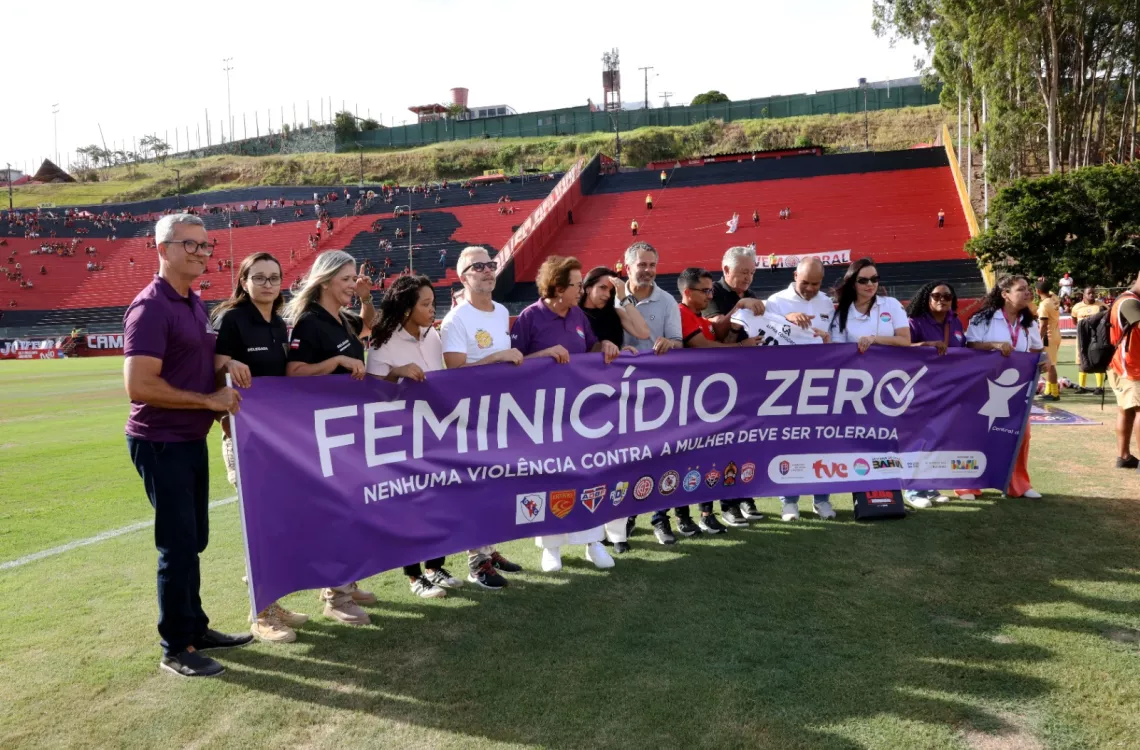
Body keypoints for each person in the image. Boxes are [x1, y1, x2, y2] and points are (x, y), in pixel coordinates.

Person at [122, 213, 249, 678]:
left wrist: (224, 371)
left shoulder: (193, 302)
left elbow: (196, 365)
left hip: (190, 438)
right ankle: (176, 647)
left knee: (193, 540)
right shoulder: (151, 307)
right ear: (162, 249)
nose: (200, 252)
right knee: (176, 547)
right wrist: (209, 401)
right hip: (161, 441)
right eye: (189, 244)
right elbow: (139, 385)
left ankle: (195, 627)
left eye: (204, 245)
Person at [210, 252, 307, 643]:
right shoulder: (231, 319)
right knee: (259, 526)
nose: (268, 284)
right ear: (244, 281)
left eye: (274, 277)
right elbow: (213, 370)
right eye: (259, 277)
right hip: (243, 439)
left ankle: (273, 602)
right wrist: (228, 365)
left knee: (279, 524)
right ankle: (260, 614)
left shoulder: (279, 324)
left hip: (277, 441)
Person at [284, 250, 378, 626]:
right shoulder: (309, 322)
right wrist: (336, 363)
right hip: (323, 433)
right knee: (335, 513)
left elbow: (369, 326)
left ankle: (346, 581)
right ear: (325, 281)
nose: (352, 285)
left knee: (353, 508)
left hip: (348, 428)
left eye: (354, 279)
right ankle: (335, 596)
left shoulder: (342, 318)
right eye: (347, 279)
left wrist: (367, 297)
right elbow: (294, 372)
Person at [511, 255, 621, 572]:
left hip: (581, 413)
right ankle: (551, 547)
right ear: (558, 287)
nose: (581, 290)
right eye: (576, 285)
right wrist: (544, 355)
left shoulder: (578, 315)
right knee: (550, 479)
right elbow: (513, 366)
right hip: (544, 416)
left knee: (589, 474)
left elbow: (590, 349)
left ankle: (593, 542)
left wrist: (605, 346)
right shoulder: (530, 317)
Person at [366, 275, 466, 598]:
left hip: (436, 432)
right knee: (411, 506)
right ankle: (413, 576)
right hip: (401, 438)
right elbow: (371, 394)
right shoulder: (383, 342)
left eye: (432, 303)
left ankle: (435, 567)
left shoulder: (433, 335)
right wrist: (396, 373)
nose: (432, 309)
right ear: (407, 308)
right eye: (425, 304)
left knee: (440, 502)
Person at [439, 246, 525, 589]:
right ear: (463, 278)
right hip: (472, 419)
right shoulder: (456, 320)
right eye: (478, 267)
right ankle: (476, 563)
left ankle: (489, 549)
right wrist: (497, 358)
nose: (488, 270)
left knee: (498, 486)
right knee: (476, 489)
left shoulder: (501, 310)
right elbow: (454, 371)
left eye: (490, 264)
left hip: (502, 414)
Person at [676, 267, 761, 534]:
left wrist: (736, 314)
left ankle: (706, 513)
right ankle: (682, 516)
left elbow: (719, 334)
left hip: (709, 402)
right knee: (684, 461)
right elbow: (702, 347)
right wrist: (741, 347)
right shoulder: (681, 313)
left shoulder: (700, 318)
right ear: (687, 292)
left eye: (711, 290)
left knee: (708, 460)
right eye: (705, 291)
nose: (710, 295)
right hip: (689, 403)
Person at [619, 242, 688, 543]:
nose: (647, 270)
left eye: (652, 265)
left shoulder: (667, 300)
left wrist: (670, 343)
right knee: (627, 459)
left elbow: (679, 342)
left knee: (661, 456)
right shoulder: (613, 298)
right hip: (620, 393)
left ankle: (660, 519)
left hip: (659, 392)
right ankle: (626, 518)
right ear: (627, 267)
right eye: (642, 265)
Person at [763, 257, 838, 520]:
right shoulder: (775, 301)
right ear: (795, 276)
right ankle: (789, 501)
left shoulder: (826, 303)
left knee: (821, 442)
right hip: (785, 385)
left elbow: (831, 341)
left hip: (820, 382)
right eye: (805, 282)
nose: (809, 288)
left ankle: (822, 500)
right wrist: (786, 318)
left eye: (815, 284)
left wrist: (827, 340)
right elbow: (763, 331)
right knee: (789, 443)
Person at [966, 275, 1045, 498]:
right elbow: (970, 345)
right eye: (1021, 289)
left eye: (1028, 288)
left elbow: (1037, 350)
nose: (1027, 292)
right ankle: (968, 485)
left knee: (1021, 435)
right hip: (983, 387)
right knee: (978, 435)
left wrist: (1044, 360)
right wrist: (993, 345)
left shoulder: (1029, 323)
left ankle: (1019, 484)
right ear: (1005, 294)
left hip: (1017, 390)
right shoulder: (983, 319)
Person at [904, 281, 971, 506]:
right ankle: (913, 491)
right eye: (936, 296)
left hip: (949, 391)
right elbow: (899, 350)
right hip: (921, 390)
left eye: (947, 296)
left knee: (938, 440)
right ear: (927, 297)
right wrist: (925, 344)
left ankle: (930, 486)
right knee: (919, 440)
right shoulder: (915, 322)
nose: (942, 300)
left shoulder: (955, 321)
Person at [1108, 271, 1140, 469]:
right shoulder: (1129, 302)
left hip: (1124, 365)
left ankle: (1124, 456)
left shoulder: (1129, 299)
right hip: (1132, 366)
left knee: (1126, 409)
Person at [579, 266, 651, 351]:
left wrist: (624, 299)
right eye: (603, 287)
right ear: (588, 288)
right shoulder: (574, 313)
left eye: (611, 291)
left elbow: (644, 333)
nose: (608, 295)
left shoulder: (615, 313)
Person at [1071, 287, 1107, 394]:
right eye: (1089, 293)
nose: (1092, 295)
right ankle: (1082, 387)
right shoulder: (1077, 307)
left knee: (1098, 360)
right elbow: (1074, 320)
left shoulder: (1102, 306)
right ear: (1084, 295)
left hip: (1096, 338)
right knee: (1081, 360)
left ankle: (1099, 387)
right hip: (1082, 338)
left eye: (1093, 293)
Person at [1036, 279, 1062, 402]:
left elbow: (1043, 325)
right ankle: (1048, 391)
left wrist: (1037, 339)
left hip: (1048, 337)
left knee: (1050, 366)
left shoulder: (1044, 305)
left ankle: (1055, 394)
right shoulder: (1054, 298)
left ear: (1037, 291)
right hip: (1056, 334)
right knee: (1049, 364)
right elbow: (1049, 292)